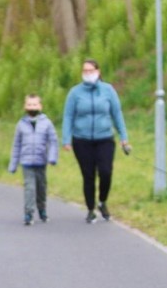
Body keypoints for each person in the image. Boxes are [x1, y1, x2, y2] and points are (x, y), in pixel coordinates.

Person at [61, 59, 131, 223]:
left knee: (106, 172)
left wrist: (124, 138)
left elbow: (117, 113)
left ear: (98, 71)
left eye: (91, 71)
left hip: (105, 138)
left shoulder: (108, 90)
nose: (88, 74)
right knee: (88, 175)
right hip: (82, 140)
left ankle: (102, 201)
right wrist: (66, 139)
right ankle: (90, 209)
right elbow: (68, 116)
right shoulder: (75, 93)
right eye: (85, 71)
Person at [8, 94, 59, 226]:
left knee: (41, 187)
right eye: (29, 104)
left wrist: (52, 157)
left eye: (35, 104)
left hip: (41, 161)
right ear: (25, 106)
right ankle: (28, 213)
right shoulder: (21, 125)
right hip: (26, 162)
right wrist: (13, 164)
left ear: (40, 106)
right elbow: (16, 145)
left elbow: (53, 141)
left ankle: (42, 209)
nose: (32, 107)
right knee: (29, 187)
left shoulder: (46, 123)